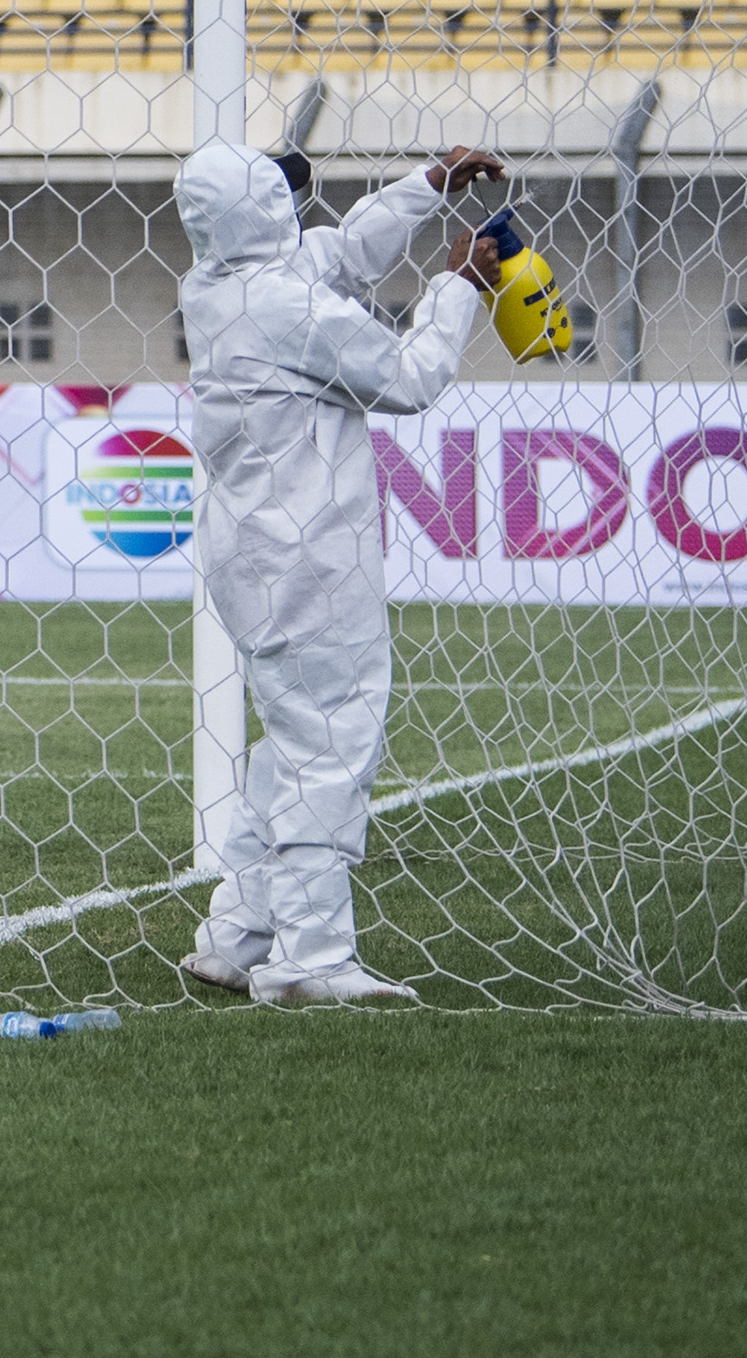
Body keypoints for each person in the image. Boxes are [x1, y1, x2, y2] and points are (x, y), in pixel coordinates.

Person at [170, 140, 507, 1008]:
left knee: (292, 740)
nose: (297, 193)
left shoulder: (218, 285)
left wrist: (428, 187)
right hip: (309, 553)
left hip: (250, 550)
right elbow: (410, 376)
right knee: (334, 745)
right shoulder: (288, 308)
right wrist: (460, 286)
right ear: (264, 215)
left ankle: (236, 935)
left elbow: (341, 251)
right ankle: (312, 959)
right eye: (281, 190)